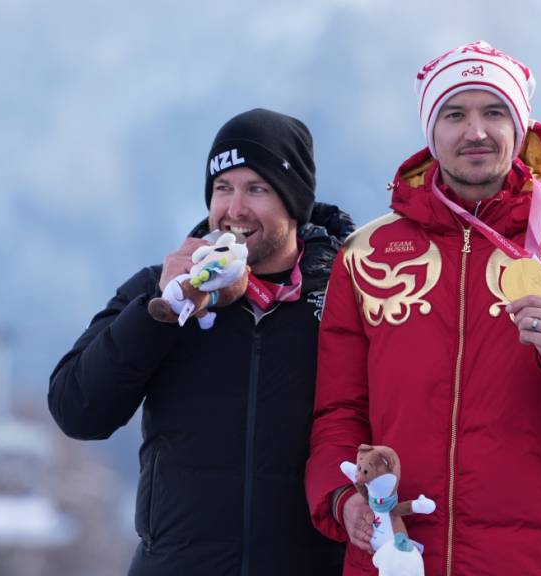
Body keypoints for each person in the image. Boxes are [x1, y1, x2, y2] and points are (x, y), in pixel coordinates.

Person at [305, 41, 541, 575]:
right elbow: (339, 414)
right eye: (455, 114)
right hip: (400, 558)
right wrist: (344, 498)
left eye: (494, 112)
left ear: (520, 129)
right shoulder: (365, 257)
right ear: (431, 133)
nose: (475, 131)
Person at [49, 108, 353, 575]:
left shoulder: (345, 296)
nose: (235, 209)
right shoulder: (157, 290)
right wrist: (163, 310)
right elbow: (77, 410)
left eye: (258, 188)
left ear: (294, 201)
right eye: (222, 188)